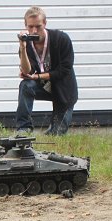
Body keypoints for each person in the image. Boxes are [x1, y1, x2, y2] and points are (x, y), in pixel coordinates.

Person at [16, 6, 78, 135]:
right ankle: (23, 128)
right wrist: (22, 47)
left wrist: (38, 77)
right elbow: (28, 71)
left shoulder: (61, 39)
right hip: (43, 87)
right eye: (30, 27)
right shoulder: (27, 43)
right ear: (25, 25)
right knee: (25, 85)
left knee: (56, 135)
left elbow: (64, 70)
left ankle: (52, 130)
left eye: (38, 26)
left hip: (63, 90)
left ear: (45, 23)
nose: (34, 31)